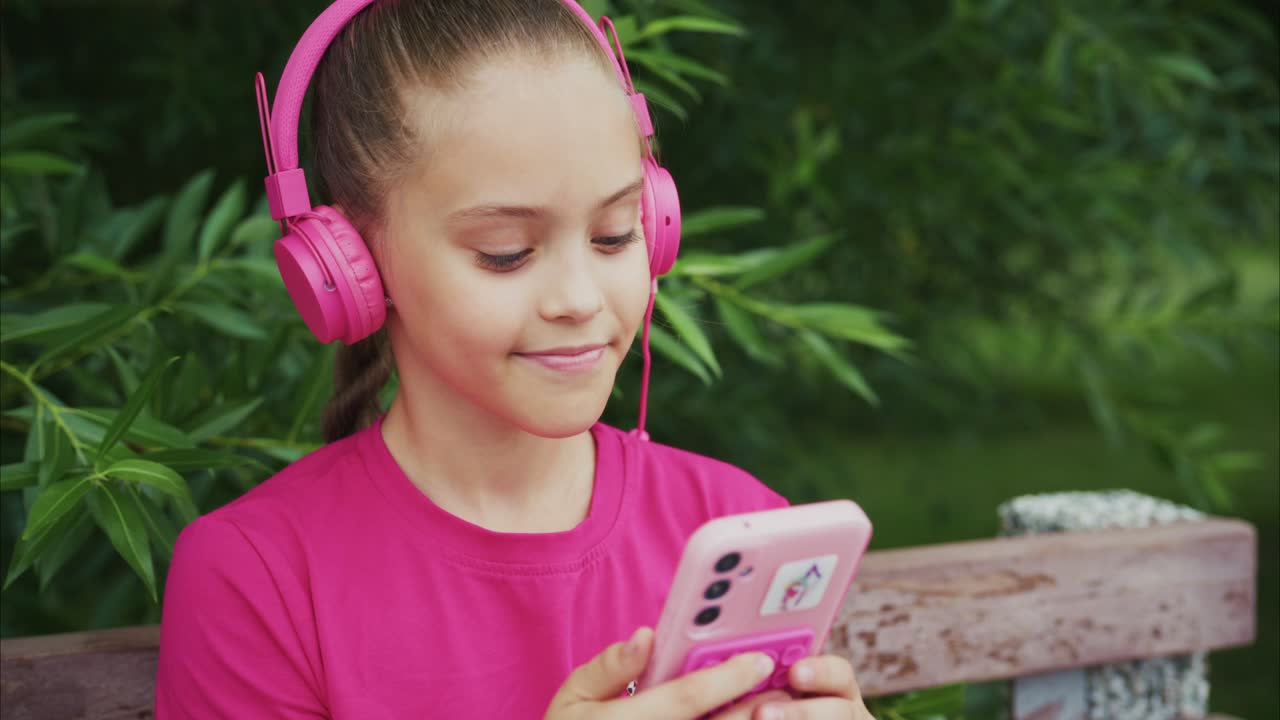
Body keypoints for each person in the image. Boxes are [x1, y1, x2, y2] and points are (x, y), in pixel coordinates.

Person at [154, 1, 873, 718]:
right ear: (349, 266)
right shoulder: (257, 578)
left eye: (616, 235)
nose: (579, 298)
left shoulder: (736, 528)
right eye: (507, 253)